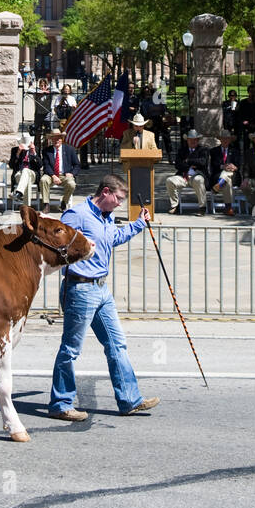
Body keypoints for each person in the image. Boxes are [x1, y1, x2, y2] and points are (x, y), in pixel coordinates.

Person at [48, 175, 158, 420]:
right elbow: (55, 240)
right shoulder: (77, 215)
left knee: (117, 343)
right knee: (71, 349)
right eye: (117, 198)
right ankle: (61, 403)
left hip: (101, 289)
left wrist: (138, 224)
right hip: (80, 288)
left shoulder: (106, 218)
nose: (120, 203)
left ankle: (129, 399)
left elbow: (113, 239)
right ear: (105, 192)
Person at [166, 129, 209, 214]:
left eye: (195, 139)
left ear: (198, 140)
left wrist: (188, 161)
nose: (193, 141)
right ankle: (175, 205)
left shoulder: (203, 150)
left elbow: (202, 162)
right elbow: (177, 165)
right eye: (191, 139)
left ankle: (202, 207)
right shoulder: (182, 150)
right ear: (187, 140)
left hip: (196, 175)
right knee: (170, 180)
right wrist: (190, 165)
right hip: (183, 176)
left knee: (199, 180)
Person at [39, 129, 78, 210]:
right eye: (54, 138)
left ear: (61, 139)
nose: (56, 140)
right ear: (51, 140)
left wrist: (72, 173)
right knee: (43, 180)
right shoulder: (46, 151)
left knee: (71, 184)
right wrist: (53, 176)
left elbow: (77, 165)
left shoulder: (69, 149)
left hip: (65, 174)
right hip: (51, 175)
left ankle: (64, 202)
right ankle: (46, 204)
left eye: (58, 138)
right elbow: (46, 166)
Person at [208, 129, 242, 214]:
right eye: (223, 138)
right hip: (218, 176)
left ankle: (220, 184)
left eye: (227, 138)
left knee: (228, 175)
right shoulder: (214, 151)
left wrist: (234, 167)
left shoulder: (235, 151)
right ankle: (228, 208)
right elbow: (213, 165)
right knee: (227, 181)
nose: (225, 140)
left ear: (230, 140)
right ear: (220, 139)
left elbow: (239, 164)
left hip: (234, 176)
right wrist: (222, 166)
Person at [9, 133, 39, 205]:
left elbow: (40, 165)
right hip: (19, 174)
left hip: (32, 174)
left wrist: (34, 153)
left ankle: (18, 193)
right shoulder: (15, 150)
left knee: (26, 171)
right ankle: (27, 207)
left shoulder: (35, 149)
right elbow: (11, 165)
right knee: (26, 181)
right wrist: (18, 153)